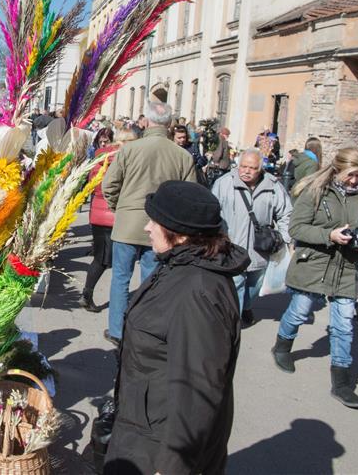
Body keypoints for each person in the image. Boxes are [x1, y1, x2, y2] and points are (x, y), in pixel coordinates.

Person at [103, 181, 248, 475]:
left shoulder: (199, 291)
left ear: (180, 235)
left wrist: (172, 468)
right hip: (144, 426)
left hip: (158, 448)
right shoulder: (178, 265)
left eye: (154, 222)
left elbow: (197, 392)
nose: (146, 228)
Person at [273, 147, 358, 410]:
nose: (355, 180)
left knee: (343, 325)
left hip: (346, 267)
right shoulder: (316, 189)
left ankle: (342, 383)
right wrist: (329, 235)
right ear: (338, 169)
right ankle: (282, 347)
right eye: (351, 175)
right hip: (314, 264)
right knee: (299, 311)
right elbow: (296, 227)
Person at [101, 102, 197, 346]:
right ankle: (144, 331)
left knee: (121, 279)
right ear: (169, 124)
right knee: (151, 281)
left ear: (147, 121)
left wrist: (119, 209)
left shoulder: (130, 150)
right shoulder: (182, 155)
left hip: (128, 224)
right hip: (163, 227)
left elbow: (109, 185)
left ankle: (116, 330)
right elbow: (190, 195)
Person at [211, 149, 293, 325]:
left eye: (252, 168)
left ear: (260, 169)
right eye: (243, 166)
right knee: (236, 285)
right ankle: (233, 324)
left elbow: (286, 213)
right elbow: (211, 211)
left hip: (261, 248)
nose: (246, 171)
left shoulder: (272, 186)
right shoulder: (223, 183)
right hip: (232, 246)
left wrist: (285, 238)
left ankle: (246, 305)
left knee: (256, 283)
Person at [82, 128, 118, 312]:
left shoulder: (97, 159)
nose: (104, 144)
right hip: (111, 215)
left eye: (106, 141)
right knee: (104, 260)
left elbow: (90, 184)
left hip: (97, 213)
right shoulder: (117, 160)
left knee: (101, 258)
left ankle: (87, 294)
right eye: (102, 141)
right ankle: (87, 294)